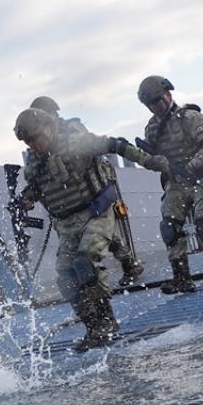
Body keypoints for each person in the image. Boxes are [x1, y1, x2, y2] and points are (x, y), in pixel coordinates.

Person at [14, 106, 168, 348]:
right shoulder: (36, 160)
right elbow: (37, 186)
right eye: (28, 142)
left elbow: (116, 145)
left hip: (95, 212)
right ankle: (93, 326)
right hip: (66, 223)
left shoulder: (76, 142)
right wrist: (26, 199)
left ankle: (107, 322)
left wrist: (150, 161)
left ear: (48, 129)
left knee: (85, 262)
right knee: (66, 276)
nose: (33, 145)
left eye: (35, 139)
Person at [29, 96, 147, 286]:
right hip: (73, 201)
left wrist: (147, 159)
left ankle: (110, 278)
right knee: (104, 234)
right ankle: (129, 264)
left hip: (93, 191)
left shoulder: (71, 132)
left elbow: (91, 146)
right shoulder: (39, 147)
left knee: (95, 240)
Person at [137, 76, 203, 292]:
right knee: (169, 227)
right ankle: (181, 277)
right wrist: (155, 162)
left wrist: (192, 165)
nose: (154, 108)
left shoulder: (190, 117)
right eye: (149, 105)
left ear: (168, 94)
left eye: (157, 101)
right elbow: (154, 159)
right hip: (176, 182)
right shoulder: (152, 128)